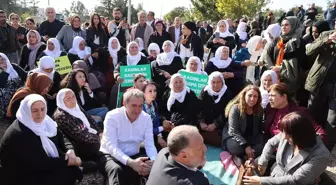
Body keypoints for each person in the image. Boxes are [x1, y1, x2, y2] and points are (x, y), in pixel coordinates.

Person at [0, 94, 83, 185]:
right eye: (35, 110)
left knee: (73, 169)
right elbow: (41, 163)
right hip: (20, 174)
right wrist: (70, 161)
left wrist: (70, 150)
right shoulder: (20, 132)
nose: (40, 114)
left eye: (43, 109)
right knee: (71, 172)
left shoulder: (45, 121)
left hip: (37, 165)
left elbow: (60, 136)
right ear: (26, 111)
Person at [244, 112, 332, 185]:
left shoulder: (321, 156)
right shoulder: (287, 133)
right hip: (275, 175)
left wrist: (261, 181)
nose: (284, 137)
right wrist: (263, 162)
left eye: (288, 135)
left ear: (301, 134)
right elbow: (270, 143)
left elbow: (296, 180)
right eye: (283, 133)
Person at [100, 89, 157, 185]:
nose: (137, 110)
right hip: (111, 155)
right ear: (124, 103)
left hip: (134, 154)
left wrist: (153, 162)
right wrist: (131, 163)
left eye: (140, 106)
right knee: (116, 170)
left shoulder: (146, 118)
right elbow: (112, 147)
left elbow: (150, 145)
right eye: (134, 106)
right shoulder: (112, 116)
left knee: (152, 170)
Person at [54, 88, 103, 166]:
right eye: (68, 99)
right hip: (81, 144)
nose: (73, 100)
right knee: (104, 150)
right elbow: (80, 136)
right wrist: (99, 139)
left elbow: (89, 118)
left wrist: (100, 132)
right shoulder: (62, 116)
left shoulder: (75, 105)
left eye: (73, 96)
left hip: (89, 135)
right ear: (61, 101)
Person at [266, 16, 308, 106]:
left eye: (286, 25)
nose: (283, 27)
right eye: (282, 25)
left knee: (289, 104)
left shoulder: (299, 42)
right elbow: (268, 54)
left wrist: (281, 68)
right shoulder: (278, 39)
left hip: (291, 80)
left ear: (293, 26)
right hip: (276, 77)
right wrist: (272, 68)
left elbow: (301, 63)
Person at [306, 29, 336, 150]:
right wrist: (326, 40)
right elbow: (309, 51)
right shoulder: (325, 35)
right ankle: (307, 143)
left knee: (332, 121)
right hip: (319, 83)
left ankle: (324, 151)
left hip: (334, 88)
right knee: (312, 114)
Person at [222, 85, 264, 159]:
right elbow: (233, 131)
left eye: (255, 96)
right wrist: (246, 145)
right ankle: (246, 156)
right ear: (244, 95)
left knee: (263, 146)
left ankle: (246, 157)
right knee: (236, 148)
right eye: (250, 95)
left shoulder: (259, 110)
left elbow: (259, 130)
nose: (252, 99)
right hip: (234, 136)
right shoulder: (235, 108)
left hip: (250, 137)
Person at [198, 71, 232, 147]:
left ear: (222, 82)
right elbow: (198, 107)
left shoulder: (227, 93)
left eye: (218, 82)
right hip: (204, 125)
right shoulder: (205, 91)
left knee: (219, 141)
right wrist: (201, 122)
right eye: (213, 82)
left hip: (218, 126)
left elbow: (227, 112)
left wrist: (215, 124)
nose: (216, 85)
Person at [143, 81, 172, 150]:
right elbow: (144, 131)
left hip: (154, 134)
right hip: (142, 139)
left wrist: (159, 136)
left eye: (155, 91)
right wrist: (163, 128)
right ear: (143, 93)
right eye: (150, 91)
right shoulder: (140, 107)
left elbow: (156, 123)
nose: (153, 93)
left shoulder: (154, 104)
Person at [0, 53, 26, 118]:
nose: (1, 62)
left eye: (3, 59)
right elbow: (1, 85)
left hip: (19, 90)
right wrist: (5, 72)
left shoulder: (14, 66)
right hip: (6, 95)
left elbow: (25, 76)